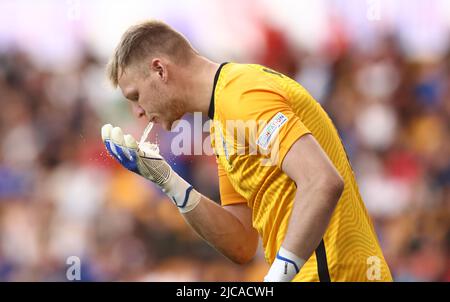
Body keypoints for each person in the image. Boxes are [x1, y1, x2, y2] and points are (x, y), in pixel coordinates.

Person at [101, 20, 392, 282]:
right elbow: (241, 242)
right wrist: (170, 182)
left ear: (160, 69)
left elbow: (321, 181)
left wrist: (277, 276)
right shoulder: (221, 118)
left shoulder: (241, 94)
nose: (137, 111)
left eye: (136, 96)